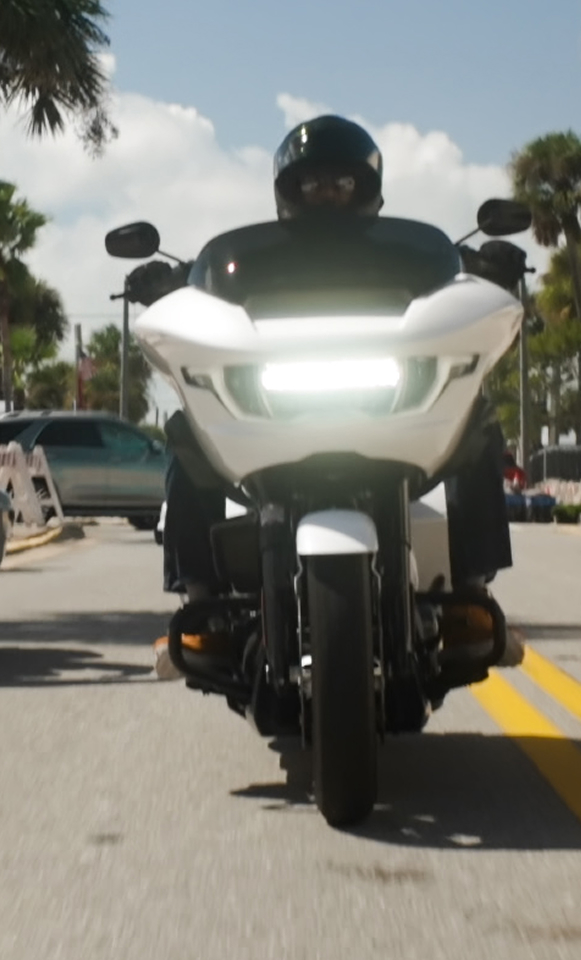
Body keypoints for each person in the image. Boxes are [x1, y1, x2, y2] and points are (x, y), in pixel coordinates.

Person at [153, 114, 519, 683]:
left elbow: (449, 289)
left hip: (392, 413)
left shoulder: (407, 256)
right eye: (312, 182)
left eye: (341, 183)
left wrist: (484, 266)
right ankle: (199, 601)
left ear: (366, 187)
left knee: (479, 428)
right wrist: (169, 282)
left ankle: (471, 596)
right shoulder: (251, 263)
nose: (326, 193)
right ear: (288, 189)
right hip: (271, 418)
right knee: (186, 436)